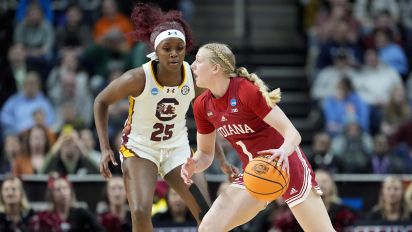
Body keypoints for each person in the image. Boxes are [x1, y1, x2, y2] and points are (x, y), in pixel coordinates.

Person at [93, 4, 234, 231]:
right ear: (155, 52)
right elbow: (101, 101)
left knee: (205, 212)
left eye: (179, 47)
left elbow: (208, 119)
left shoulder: (194, 78)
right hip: (141, 148)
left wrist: (222, 159)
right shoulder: (138, 77)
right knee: (139, 212)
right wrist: (104, 148)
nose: (174, 53)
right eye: (167, 48)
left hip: (176, 148)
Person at [181, 42, 335, 231]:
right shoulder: (201, 105)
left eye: (198, 61)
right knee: (208, 228)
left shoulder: (245, 90)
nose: (192, 66)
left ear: (215, 68)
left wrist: (282, 152)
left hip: (288, 166)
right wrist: (193, 165)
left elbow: (292, 133)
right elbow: (205, 154)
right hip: (256, 172)